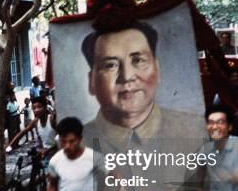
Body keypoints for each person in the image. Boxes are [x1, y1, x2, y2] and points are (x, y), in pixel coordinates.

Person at [81, 17, 205, 155]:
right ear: (91, 81)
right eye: (110, 65)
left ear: (157, 69)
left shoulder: (194, 132)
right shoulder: (78, 142)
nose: (127, 76)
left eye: (138, 60)